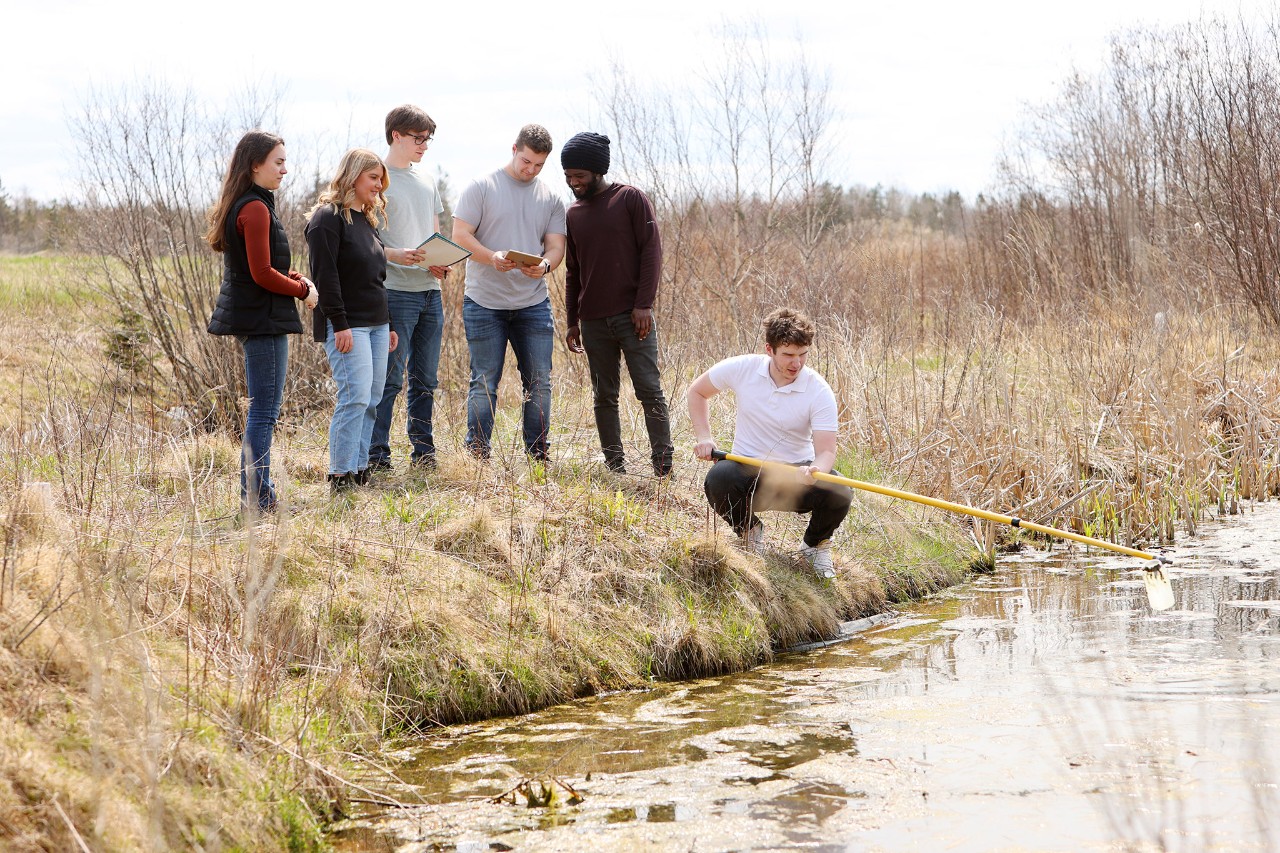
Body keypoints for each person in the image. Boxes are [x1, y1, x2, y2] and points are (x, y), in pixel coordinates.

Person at [687, 308, 853, 579]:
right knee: (719, 478)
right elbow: (697, 391)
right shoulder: (743, 368)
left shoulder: (818, 390)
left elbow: (826, 450)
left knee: (840, 491)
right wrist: (704, 438)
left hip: (795, 476)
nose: (796, 364)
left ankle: (814, 546)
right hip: (748, 471)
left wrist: (815, 470)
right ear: (769, 349)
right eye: (788, 354)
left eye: (802, 355)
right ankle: (750, 533)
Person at [206, 130, 319, 514]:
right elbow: (261, 274)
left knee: (264, 409)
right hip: (262, 321)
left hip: (261, 316)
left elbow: (269, 267)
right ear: (255, 165)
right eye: (279, 162)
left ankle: (259, 493)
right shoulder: (254, 207)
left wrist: (295, 277)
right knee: (265, 411)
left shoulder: (254, 204)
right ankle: (256, 498)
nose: (286, 169)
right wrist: (303, 292)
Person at [451, 124, 567, 461]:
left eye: (539, 165)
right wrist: (491, 257)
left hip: (533, 303)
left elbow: (556, 246)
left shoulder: (550, 198)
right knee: (484, 381)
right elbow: (460, 234)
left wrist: (545, 265)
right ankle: (476, 454)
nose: (530, 170)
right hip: (484, 302)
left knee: (540, 382)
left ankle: (537, 455)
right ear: (514, 149)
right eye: (526, 161)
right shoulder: (482, 187)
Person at [562, 132, 673, 477]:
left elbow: (651, 253)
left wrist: (644, 305)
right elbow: (573, 271)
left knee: (649, 390)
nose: (573, 182)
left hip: (632, 317)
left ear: (597, 171)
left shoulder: (630, 199)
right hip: (593, 322)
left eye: (579, 175)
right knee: (603, 396)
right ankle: (615, 467)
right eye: (567, 176)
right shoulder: (574, 214)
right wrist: (572, 320)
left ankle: (663, 468)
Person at [305, 148, 398, 493]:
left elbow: (376, 278)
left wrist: (388, 323)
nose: (379, 185)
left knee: (372, 398)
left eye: (381, 179)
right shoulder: (327, 218)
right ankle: (340, 475)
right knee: (354, 396)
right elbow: (325, 276)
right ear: (352, 176)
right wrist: (339, 322)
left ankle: (360, 470)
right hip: (348, 324)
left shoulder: (367, 220)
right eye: (373, 178)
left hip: (376, 324)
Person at [369, 104, 451, 472]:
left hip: (430, 290)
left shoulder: (427, 179)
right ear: (396, 135)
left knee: (426, 379)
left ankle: (423, 454)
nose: (424, 146)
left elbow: (433, 232)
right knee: (389, 379)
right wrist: (394, 255)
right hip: (395, 292)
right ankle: (377, 455)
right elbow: (363, 240)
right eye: (418, 138)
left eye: (427, 139)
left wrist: (439, 257)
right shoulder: (375, 179)